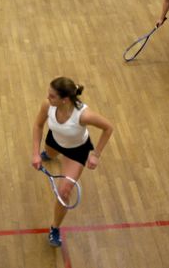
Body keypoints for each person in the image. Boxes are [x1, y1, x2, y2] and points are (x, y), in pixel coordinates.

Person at [31, 76, 113, 247]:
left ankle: (54, 228)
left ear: (65, 100)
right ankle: (49, 155)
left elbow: (108, 128)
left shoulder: (83, 115)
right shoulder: (48, 105)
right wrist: (36, 154)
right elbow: (38, 125)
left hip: (76, 151)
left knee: (64, 193)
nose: (47, 97)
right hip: (55, 140)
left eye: (52, 96)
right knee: (50, 154)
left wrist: (96, 154)